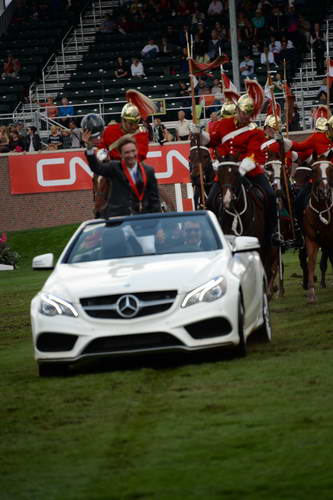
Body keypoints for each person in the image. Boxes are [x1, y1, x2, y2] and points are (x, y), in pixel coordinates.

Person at [206, 79, 280, 246]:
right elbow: (212, 141)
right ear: (237, 109)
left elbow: (253, 154)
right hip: (226, 172)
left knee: (269, 194)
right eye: (243, 112)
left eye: (248, 113)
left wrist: (241, 170)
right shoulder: (223, 123)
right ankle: (212, 234)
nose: (245, 116)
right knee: (210, 200)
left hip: (249, 171)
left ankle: (272, 231)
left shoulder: (256, 132)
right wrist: (200, 134)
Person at [83, 135, 161, 217]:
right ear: (121, 154)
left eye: (133, 151)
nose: (131, 155)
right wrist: (89, 149)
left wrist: (156, 223)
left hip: (141, 220)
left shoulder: (148, 171)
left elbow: (154, 200)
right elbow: (96, 168)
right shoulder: (114, 168)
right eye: (127, 152)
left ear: (137, 151)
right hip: (119, 220)